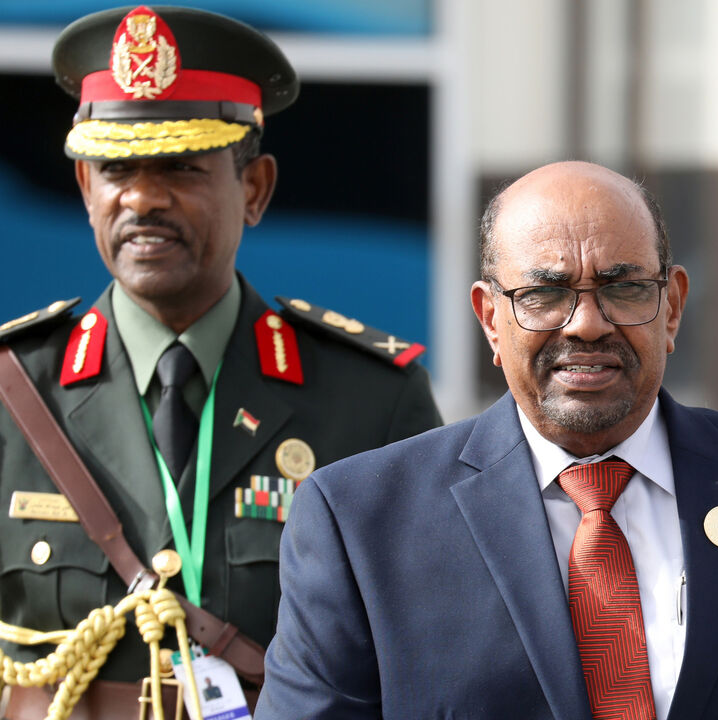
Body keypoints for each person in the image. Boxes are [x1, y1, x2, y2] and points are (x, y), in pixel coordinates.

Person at [254, 160, 718, 719]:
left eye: (624, 287)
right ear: (490, 319)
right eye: (545, 294)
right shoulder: (361, 523)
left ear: (674, 306)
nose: (587, 324)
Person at [0, 6, 442, 718]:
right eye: (114, 168)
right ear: (86, 190)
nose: (142, 198)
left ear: (256, 189)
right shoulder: (14, 390)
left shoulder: (372, 401)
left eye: (181, 167)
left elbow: (429, 662)